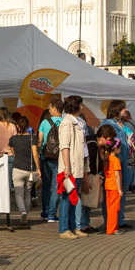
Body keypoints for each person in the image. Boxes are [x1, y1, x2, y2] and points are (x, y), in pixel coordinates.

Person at [56, 95, 88, 240]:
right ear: (75, 106)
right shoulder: (67, 122)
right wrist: (67, 167)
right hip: (70, 167)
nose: (82, 107)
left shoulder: (78, 122)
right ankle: (64, 229)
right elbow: (64, 146)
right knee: (66, 198)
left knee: (74, 198)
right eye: (80, 104)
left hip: (79, 166)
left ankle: (74, 227)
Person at [8, 114, 40, 225]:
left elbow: (14, 153)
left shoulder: (13, 139)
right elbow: (35, 154)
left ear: (17, 126)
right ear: (27, 127)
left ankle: (22, 212)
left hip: (17, 168)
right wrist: (38, 169)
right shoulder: (32, 138)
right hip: (30, 169)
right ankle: (26, 212)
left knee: (18, 192)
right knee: (28, 192)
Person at [96, 126, 124, 234]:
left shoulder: (107, 159)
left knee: (109, 207)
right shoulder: (115, 160)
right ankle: (112, 229)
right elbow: (117, 176)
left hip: (108, 185)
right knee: (114, 209)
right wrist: (120, 189)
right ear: (115, 149)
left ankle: (110, 227)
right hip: (114, 187)